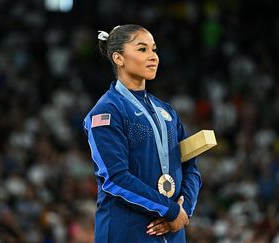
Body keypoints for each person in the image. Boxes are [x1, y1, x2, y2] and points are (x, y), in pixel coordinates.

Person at [83, 24, 202, 243]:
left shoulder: (167, 111)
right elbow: (115, 178)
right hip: (128, 230)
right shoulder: (106, 111)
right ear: (119, 58)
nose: (153, 56)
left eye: (154, 49)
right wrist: (170, 210)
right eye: (142, 49)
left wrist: (183, 211)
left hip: (173, 230)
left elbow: (190, 166)